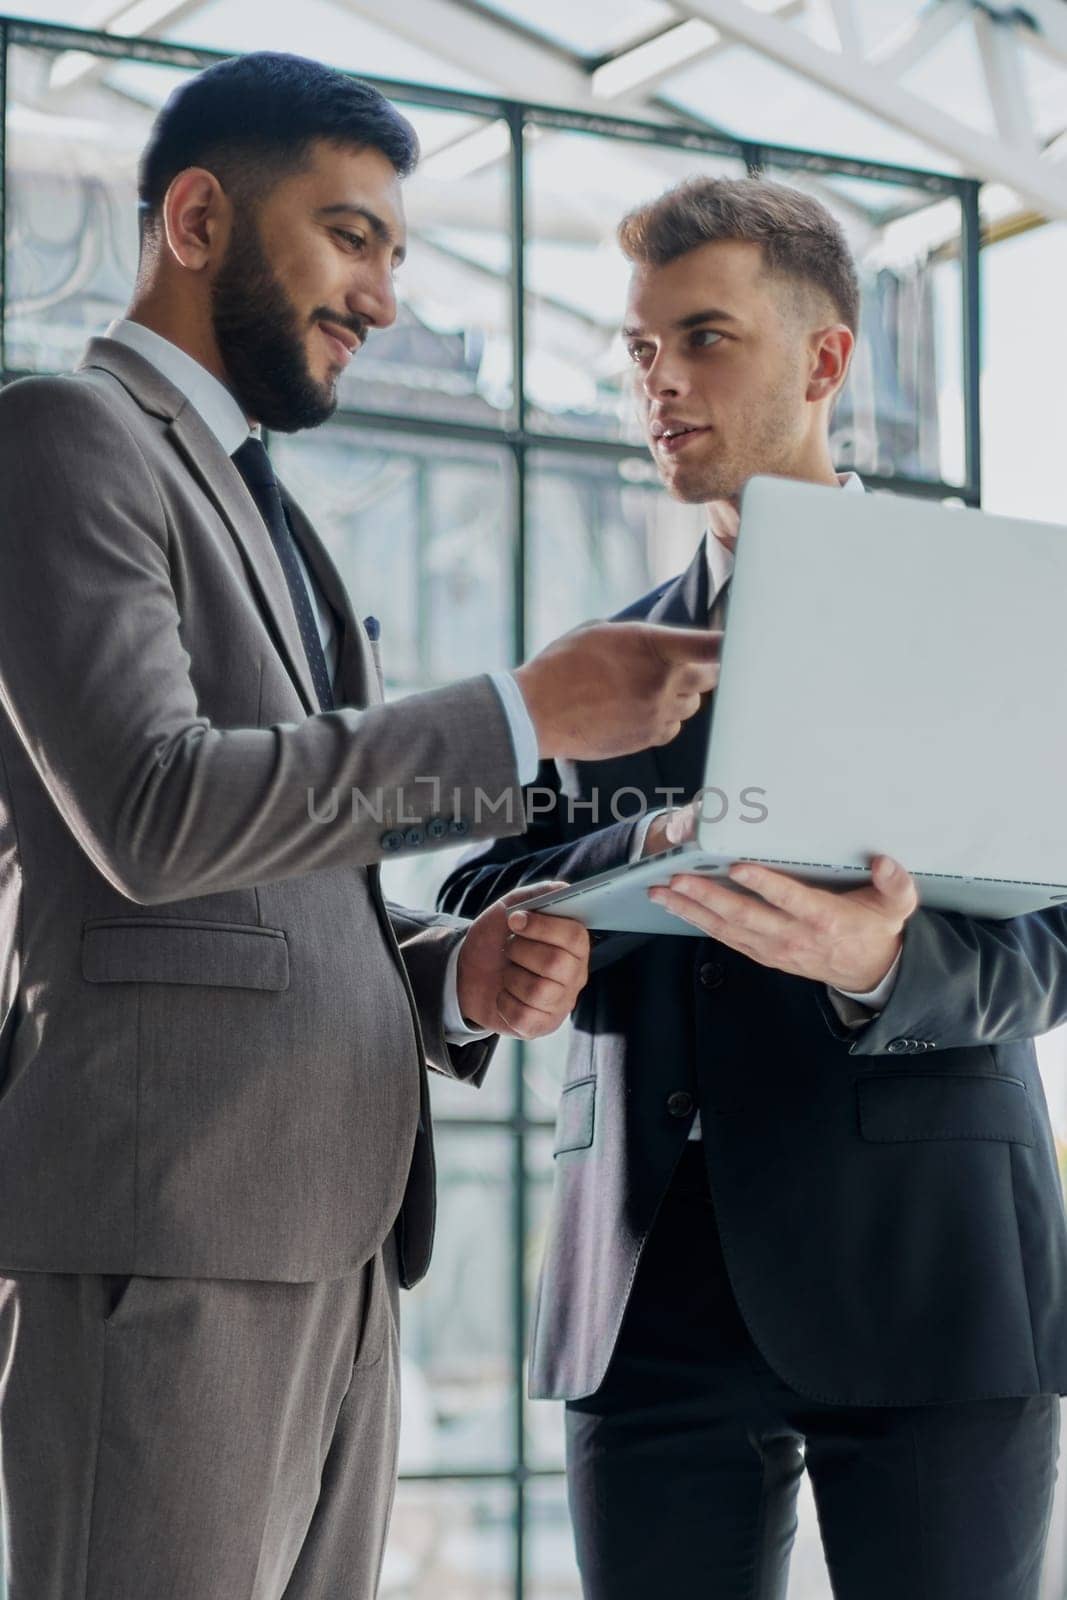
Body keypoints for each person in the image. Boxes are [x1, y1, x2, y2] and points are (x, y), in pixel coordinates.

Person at [0, 53, 721, 1600]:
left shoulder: (265, 500)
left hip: (334, 1247)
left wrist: (451, 976)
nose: (384, 297)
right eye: (350, 238)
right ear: (195, 217)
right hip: (172, 1237)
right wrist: (523, 717)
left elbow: (272, 897)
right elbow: (154, 810)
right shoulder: (65, 440)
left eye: (395, 252)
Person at [440, 175, 1067, 1600]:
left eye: (702, 338)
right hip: (643, 1290)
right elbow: (480, 885)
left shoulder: (985, 616)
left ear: (826, 359)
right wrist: (623, 860)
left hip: (930, 1279)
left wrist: (876, 967)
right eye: (642, 349)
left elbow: (1058, 934)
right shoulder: (599, 662)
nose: (659, 384)